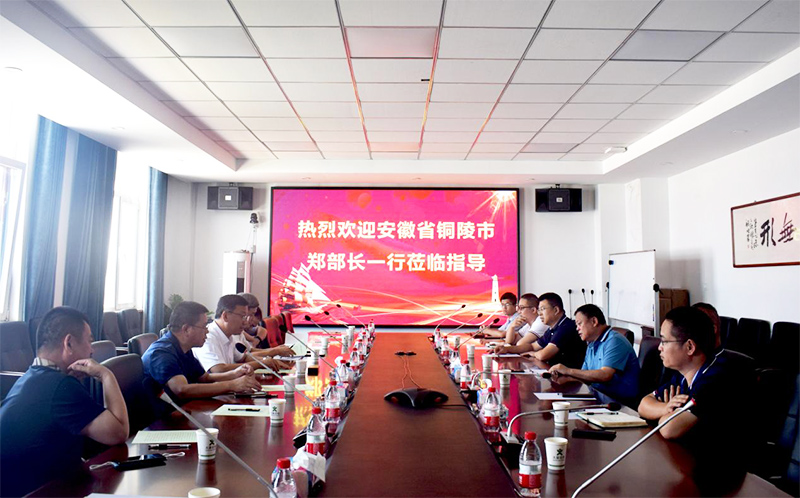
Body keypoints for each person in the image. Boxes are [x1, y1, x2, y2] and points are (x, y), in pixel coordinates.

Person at [0, 307, 129, 496]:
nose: (92, 350)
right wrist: (106, 375)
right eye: (89, 341)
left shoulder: (31, 378)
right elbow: (119, 432)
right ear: (68, 343)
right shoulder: (61, 387)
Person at [637, 307, 752, 479]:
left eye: (665, 341)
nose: (659, 347)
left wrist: (664, 413)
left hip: (719, 476)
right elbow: (643, 404)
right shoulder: (683, 375)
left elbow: (669, 428)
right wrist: (667, 408)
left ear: (690, 347)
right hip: (688, 464)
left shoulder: (716, 379)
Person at [143, 301, 262, 401]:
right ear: (186, 329)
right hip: (165, 418)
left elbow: (204, 378)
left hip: (186, 408)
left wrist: (235, 374)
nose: (207, 331)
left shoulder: (184, 348)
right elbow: (182, 390)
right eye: (204, 326)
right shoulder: (162, 353)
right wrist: (232, 385)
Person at [548, 304, 640, 407]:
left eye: (579, 324)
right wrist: (566, 377)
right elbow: (585, 375)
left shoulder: (615, 341)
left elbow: (605, 375)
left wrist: (568, 371)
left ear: (594, 321)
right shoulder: (592, 343)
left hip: (619, 404)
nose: (577, 329)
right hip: (600, 397)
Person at [194, 295, 291, 373]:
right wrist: (261, 363)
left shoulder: (230, 335)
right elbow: (218, 369)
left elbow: (243, 358)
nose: (245, 322)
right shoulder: (208, 336)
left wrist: (266, 361)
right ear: (226, 316)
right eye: (242, 316)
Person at [496, 293, 586, 368]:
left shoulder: (566, 327)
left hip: (571, 378)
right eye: (539, 310)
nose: (539, 313)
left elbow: (543, 355)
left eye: (542, 309)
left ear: (556, 310)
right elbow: (532, 346)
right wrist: (506, 349)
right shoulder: (552, 328)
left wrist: (533, 354)